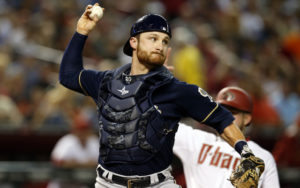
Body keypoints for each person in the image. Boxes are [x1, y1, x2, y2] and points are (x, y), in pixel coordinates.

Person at [59, 3, 264, 188]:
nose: (160, 45)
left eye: (165, 41)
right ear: (133, 42)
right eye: (153, 38)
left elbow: (223, 118)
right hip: (108, 183)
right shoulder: (106, 81)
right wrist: (81, 32)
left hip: (157, 183)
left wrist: (246, 152)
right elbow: (68, 76)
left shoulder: (177, 90)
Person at [173, 86, 280, 188]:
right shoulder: (195, 140)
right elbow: (159, 119)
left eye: (233, 113)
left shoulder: (262, 156)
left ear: (246, 118)